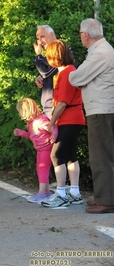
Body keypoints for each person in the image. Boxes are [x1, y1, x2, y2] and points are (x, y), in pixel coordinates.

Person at [69, 19, 114, 214]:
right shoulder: (102, 50)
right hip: (102, 109)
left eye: (80, 33)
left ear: (86, 35)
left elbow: (76, 77)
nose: (80, 36)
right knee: (102, 154)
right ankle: (103, 197)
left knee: (101, 156)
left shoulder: (100, 53)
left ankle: (107, 200)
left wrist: (75, 76)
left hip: (101, 111)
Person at [40, 40, 85, 208]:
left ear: (55, 57)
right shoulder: (69, 71)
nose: (47, 59)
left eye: (49, 56)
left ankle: (61, 193)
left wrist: (51, 123)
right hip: (75, 118)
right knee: (71, 155)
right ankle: (74, 192)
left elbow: (62, 103)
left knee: (56, 155)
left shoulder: (66, 73)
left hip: (69, 118)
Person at [14, 98, 57, 203]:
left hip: (46, 148)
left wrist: (54, 135)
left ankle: (42, 193)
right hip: (40, 149)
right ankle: (45, 191)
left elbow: (53, 127)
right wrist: (21, 133)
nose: (20, 115)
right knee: (40, 169)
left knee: (42, 169)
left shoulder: (40, 121)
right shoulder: (32, 123)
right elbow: (33, 136)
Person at [34, 25, 58, 120]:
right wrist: (41, 79)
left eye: (42, 37)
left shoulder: (61, 51)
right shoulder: (49, 55)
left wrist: (38, 56)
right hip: (48, 109)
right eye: (37, 38)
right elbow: (47, 74)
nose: (39, 42)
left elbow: (46, 72)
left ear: (52, 34)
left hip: (57, 108)